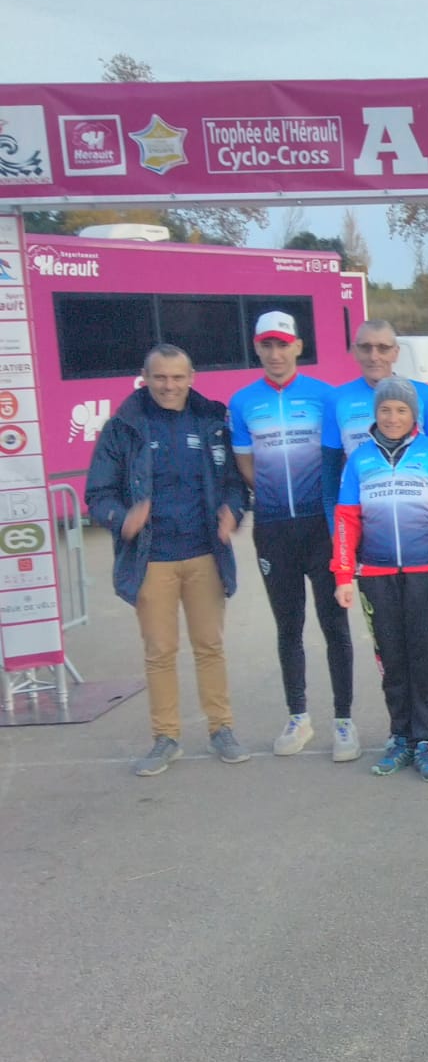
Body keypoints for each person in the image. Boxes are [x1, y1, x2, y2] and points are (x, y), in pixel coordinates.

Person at [85, 344, 249, 776]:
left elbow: (235, 482)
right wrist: (122, 518)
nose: (169, 385)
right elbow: (97, 495)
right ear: (145, 377)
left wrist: (233, 510)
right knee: (160, 651)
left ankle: (222, 729)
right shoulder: (122, 428)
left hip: (205, 553)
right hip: (152, 558)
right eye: (160, 377)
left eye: (178, 377)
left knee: (210, 647)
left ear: (192, 377)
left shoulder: (212, 420)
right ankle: (166, 739)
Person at [229, 311, 357, 762]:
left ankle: (344, 721)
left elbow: (341, 458)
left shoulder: (326, 397)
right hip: (273, 528)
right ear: (257, 348)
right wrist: (267, 497)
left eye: (283, 344)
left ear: (298, 346)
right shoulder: (243, 402)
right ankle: (298, 715)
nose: (276, 354)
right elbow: (246, 464)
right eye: (267, 345)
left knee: (333, 623)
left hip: (319, 526)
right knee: (289, 626)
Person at [331, 378, 428, 783]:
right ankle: (400, 737)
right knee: (392, 661)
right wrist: (343, 575)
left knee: (424, 658)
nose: (392, 418)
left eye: (401, 410)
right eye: (385, 410)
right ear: (375, 413)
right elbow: (346, 520)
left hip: (426, 575)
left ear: (414, 415)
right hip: (376, 574)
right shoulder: (359, 459)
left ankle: (426, 740)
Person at [322, 319, 428, 519]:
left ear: (395, 352)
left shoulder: (423, 395)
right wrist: (336, 534)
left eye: (383, 348)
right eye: (366, 348)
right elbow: (330, 481)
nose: (374, 356)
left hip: (420, 524)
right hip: (362, 522)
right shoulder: (337, 400)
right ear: (354, 351)